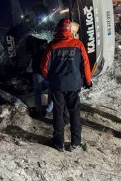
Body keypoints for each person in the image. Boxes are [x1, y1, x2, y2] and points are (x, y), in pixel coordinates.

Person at [40, 18, 92, 152]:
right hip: (74, 85)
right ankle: (76, 141)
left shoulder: (52, 46)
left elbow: (44, 67)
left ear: (58, 29)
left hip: (58, 85)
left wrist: (49, 79)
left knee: (58, 112)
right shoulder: (78, 44)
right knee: (74, 112)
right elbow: (86, 65)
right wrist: (88, 81)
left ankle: (59, 142)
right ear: (70, 30)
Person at [25, 35, 52, 117]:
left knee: (37, 92)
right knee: (52, 92)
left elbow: (31, 65)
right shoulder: (49, 51)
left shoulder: (35, 52)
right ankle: (48, 110)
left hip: (37, 74)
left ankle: (38, 110)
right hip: (47, 75)